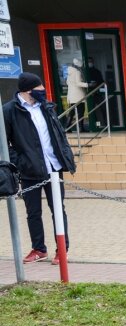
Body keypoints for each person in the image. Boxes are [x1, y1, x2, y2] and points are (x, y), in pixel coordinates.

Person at [3, 73, 77, 265]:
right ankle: (39, 249)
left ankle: (62, 250)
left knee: (58, 210)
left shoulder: (46, 106)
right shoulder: (9, 111)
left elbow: (59, 134)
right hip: (29, 170)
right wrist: (19, 162)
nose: (44, 92)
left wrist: (66, 154)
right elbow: (3, 143)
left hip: (54, 167)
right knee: (33, 212)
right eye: (40, 89)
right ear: (28, 91)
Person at [66, 57, 89, 132]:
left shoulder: (69, 73)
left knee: (72, 112)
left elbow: (67, 83)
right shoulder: (77, 72)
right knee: (80, 112)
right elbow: (78, 83)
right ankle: (80, 128)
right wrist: (88, 84)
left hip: (71, 96)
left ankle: (67, 127)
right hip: (78, 96)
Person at [86, 57, 106, 128]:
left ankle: (105, 123)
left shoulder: (97, 71)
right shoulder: (85, 72)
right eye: (88, 62)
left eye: (91, 61)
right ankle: (95, 125)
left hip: (97, 93)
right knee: (92, 111)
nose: (90, 63)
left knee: (103, 108)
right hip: (89, 94)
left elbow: (101, 82)